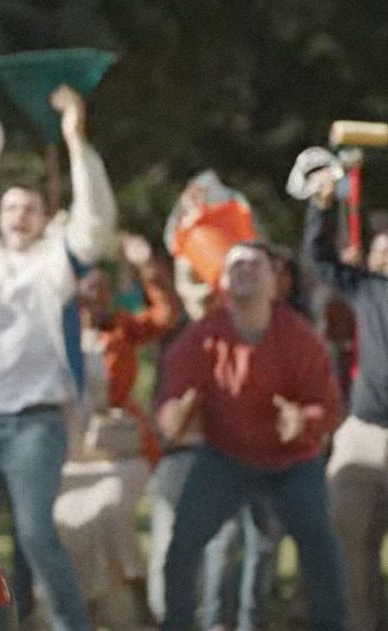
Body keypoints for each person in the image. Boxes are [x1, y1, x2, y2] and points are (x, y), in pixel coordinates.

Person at [0, 83, 116, 631]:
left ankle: (72, 624)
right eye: (10, 207)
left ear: (46, 217)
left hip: (38, 424)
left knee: (35, 533)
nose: (19, 215)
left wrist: (75, 140)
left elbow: (95, 221)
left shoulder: (58, 261)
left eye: (29, 208)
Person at [157, 241, 347, 631]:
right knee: (184, 544)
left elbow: (329, 406)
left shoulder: (300, 338)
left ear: (275, 283)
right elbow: (170, 401)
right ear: (223, 283)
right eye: (235, 266)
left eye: (254, 264)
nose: (244, 270)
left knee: (319, 545)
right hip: (225, 457)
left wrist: (304, 421)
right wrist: (172, 416)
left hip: (293, 462)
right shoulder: (202, 336)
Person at [53, 233, 180, 627]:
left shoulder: (122, 328)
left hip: (121, 448)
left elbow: (165, 315)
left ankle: (135, 595)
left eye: (100, 289)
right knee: (69, 520)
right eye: (85, 288)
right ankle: (89, 605)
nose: (93, 295)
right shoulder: (55, 335)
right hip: (73, 450)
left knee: (109, 511)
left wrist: (146, 268)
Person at [303, 161, 388, 631]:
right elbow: (319, 258)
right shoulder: (368, 289)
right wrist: (322, 204)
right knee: (348, 539)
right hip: (364, 434)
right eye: (381, 247)